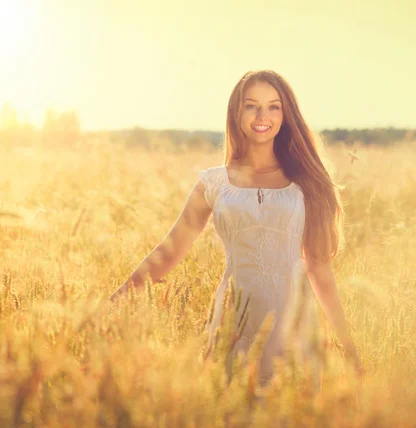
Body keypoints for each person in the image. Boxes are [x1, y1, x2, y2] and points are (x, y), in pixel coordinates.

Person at [109, 69, 364, 391]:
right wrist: (113, 301)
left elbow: (319, 268)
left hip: (293, 324)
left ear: (286, 116)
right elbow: (168, 252)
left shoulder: (306, 183)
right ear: (236, 112)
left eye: (274, 107)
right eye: (251, 106)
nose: (262, 116)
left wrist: (348, 345)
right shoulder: (214, 184)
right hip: (234, 321)